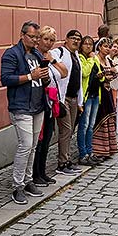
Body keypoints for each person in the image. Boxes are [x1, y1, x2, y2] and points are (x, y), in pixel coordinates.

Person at [0, 22, 55, 205]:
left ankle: (29, 180)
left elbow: (42, 78)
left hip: (37, 105)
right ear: (22, 35)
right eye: (32, 37)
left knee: (32, 146)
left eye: (37, 37)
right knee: (26, 145)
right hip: (21, 105)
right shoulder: (12, 53)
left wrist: (45, 78)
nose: (35, 40)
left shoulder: (37, 54)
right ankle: (17, 186)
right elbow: (6, 79)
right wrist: (31, 76)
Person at [32, 26, 67, 186]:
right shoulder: (34, 55)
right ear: (39, 39)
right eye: (46, 39)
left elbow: (64, 72)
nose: (49, 43)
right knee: (38, 140)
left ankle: (42, 171)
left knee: (47, 138)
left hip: (51, 102)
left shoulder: (52, 56)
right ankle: (34, 174)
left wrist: (52, 60)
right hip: (39, 101)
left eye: (52, 40)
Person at [51, 30, 83, 175]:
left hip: (74, 98)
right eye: (73, 38)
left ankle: (66, 159)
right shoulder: (59, 52)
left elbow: (79, 80)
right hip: (63, 98)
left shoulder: (76, 56)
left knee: (69, 131)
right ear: (66, 39)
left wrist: (80, 101)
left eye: (78, 39)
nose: (76, 41)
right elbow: (50, 59)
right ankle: (62, 163)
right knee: (66, 129)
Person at [93, 37, 118, 159]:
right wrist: (110, 71)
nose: (108, 49)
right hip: (99, 92)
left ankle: (107, 148)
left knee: (109, 117)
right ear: (99, 47)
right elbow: (98, 75)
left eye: (109, 47)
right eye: (105, 46)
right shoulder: (96, 59)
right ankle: (98, 150)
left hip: (108, 91)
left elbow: (115, 74)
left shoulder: (108, 60)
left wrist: (112, 71)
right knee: (100, 119)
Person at [77, 36, 101, 164]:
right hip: (86, 96)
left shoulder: (94, 58)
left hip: (95, 94)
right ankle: (83, 154)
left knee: (91, 126)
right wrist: (92, 59)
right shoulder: (80, 58)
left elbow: (99, 74)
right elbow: (85, 72)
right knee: (84, 126)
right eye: (85, 44)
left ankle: (89, 151)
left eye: (90, 44)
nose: (88, 46)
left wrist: (102, 75)